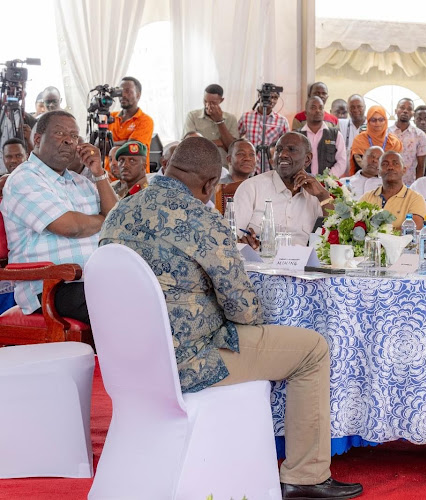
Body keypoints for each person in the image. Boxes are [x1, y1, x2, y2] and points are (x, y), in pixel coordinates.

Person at [99, 136, 363, 500]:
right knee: (312, 349)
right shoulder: (203, 219)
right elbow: (243, 309)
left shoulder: (120, 211)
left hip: (129, 360)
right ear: (209, 185)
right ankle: (305, 477)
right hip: (191, 361)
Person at [0, 110, 118, 324]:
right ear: (37, 139)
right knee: (120, 302)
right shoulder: (24, 179)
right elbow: (69, 226)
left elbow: (116, 220)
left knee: (151, 291)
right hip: (49, 287)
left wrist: (99, 172)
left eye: (74, 136)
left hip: (90, 281)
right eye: (60, 133)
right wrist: (104, 220)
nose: (68, 141)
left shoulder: (80, 182)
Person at [235, 132, 335, 248]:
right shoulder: (251, 188)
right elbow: (231, 236)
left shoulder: (316, 194)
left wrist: (323, 195)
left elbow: (332, 236)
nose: (283, 154)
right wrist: (244, 242)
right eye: (279, 149)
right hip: (260, 262)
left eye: (291, 149)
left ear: (307, 159)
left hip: (303, 264)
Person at [361, 151, 426, 230]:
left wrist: (377, 234)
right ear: (379, 171)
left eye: (395, 163)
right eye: (385, 164)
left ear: (404, 170)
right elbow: (357, 226)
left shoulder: (415, 198)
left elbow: (413, 229)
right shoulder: (367, 197)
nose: (390, 167)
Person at [182, 84, 239, 167]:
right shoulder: (192, 116)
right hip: (198, 166)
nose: (207, 105)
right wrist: (220, 142)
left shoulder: (231, 118)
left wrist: (219, 121)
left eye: (213, 102)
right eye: (205, 101)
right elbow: (190, 144)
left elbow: (232, 148)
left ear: (221, 100)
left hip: (223, 167)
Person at [109, 76, 154, 169]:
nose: (123, 95)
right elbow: (97, 145)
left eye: (128, 91)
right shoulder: (110, 117)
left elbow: (133, 147)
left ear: (138, 95)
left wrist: (108, 144)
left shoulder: (145, 120)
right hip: (108, 176)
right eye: (120, 91)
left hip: (135, 178)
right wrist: (124, 142)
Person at [297, 97, 347, 177]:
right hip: (302, 184)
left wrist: (327, 179)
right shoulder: (297, 136)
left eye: (321, 108)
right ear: (305, 113)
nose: (318, 111)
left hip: (328, 185)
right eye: (313, 108)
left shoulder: (335, 134)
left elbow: (342, 161)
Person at [348, 106, 402, 176]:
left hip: (388, 179)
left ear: (385, 121)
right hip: (364, 178)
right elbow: (359, 163)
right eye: (373, 120)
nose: (377, 123)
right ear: (368, 121)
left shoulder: (394, 142)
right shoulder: (360, 140)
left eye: (381, 120)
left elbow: (396, 164)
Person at [386, 98, 426, 185]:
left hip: (409, 185)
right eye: (402, 107)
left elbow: (421, 166)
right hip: (387, 183)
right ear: (396, 111)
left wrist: (418, 186)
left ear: (413, 113)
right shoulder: (386, 133)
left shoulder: (420, 135)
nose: (405, 111)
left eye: (409, 109)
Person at [238, 89, 289, 157]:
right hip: (250, 163)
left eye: (275, 97)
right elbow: (235, 138)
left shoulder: (282, 121)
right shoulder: (246, 117)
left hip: (271, 164)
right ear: (259, 96)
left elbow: (288, 144)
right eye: (268, 97)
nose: (271, 100)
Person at [414, 105, 426, 175]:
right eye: (419, 119)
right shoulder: (410, 139)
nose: (423, 122)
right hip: (413, 176)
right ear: (414, 121)